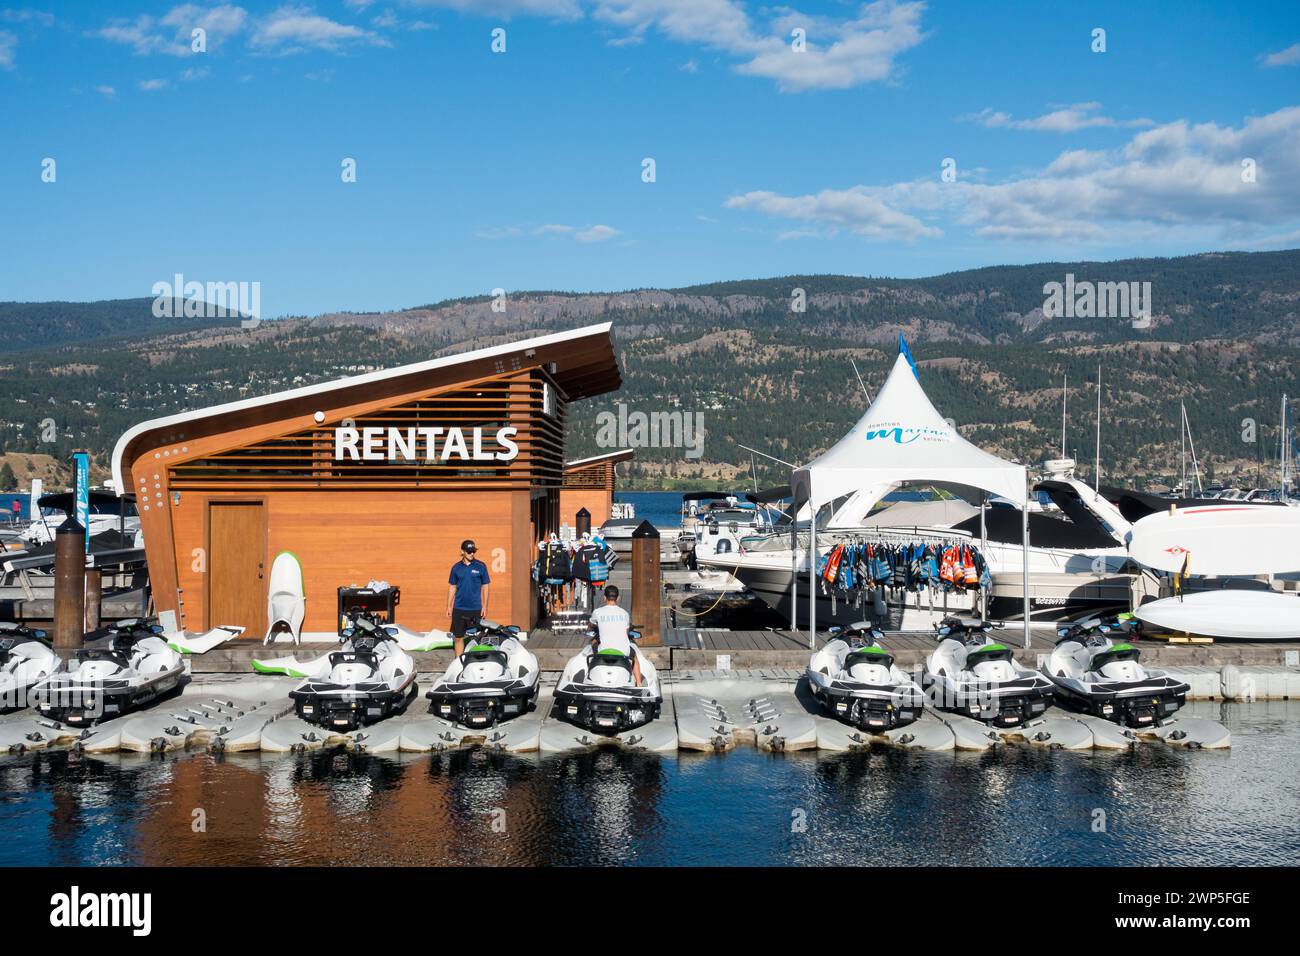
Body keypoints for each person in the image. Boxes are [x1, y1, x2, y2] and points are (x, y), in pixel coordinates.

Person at [588, 585, 641, 687]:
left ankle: (590, 672)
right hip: (623, 652)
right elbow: (626, 632)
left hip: (603, 650)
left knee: (594, 641)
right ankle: (639, 683)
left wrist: (591, 627)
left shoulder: (597, 612)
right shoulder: (625, 613)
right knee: (635, 656)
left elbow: (590, 625)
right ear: (618, 598)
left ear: (604, 598)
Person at [447, 539, 490, 656]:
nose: (472, 554)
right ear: (462, 552)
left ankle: (475, 663)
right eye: (469, 551)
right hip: (459, 609)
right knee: (459, 638)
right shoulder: (456, 568)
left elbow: (485, 586)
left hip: (475, 609)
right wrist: (449, 606)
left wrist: (485, 606)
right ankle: (458, 665)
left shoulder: (481, 566)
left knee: (475, 639)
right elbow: (452, 587)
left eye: (473, 551)